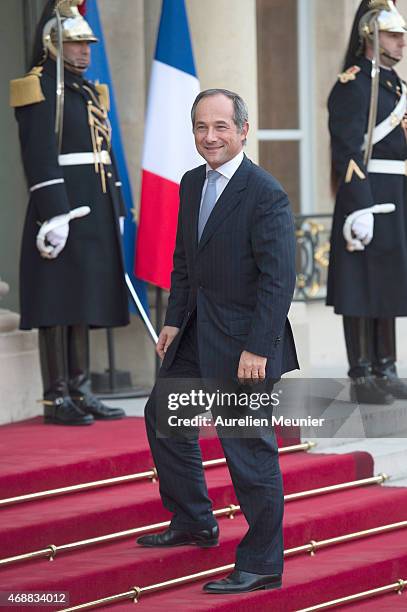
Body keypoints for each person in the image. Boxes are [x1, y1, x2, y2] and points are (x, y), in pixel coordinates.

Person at [136, 88, 298, 594]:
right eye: (201, 127)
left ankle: (263, 563)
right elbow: (185, 263)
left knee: (248, 451)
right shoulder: (190, 184)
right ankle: (194, 520)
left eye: (221, 127)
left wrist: (258, 348)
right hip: (194, 333)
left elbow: (279, 279)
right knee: (163, 418)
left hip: (245, 346)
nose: (210, 137)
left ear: (243, 130)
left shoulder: (264, 192)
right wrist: (171, 321)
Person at [10, 0, 128, 425]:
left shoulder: (86, 90)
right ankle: (55, 395)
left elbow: (104, 152)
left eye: (87, 43)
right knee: (58, 301)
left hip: (94, 205)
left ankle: (80, 388)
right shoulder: (38, 85)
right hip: (60, 208)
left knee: (85, 298)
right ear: (53, 42)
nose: (84, 51)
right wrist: (54, 214)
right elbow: (39, 155)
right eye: (76, 43)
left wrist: (115, 203)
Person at [327, 0, 407, 404]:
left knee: (389, 280)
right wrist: (359, 205)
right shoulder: (353, 83)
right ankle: (360, 373)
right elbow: (346, 148)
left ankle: (385, 367)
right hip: (368, 195)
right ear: (371, 35)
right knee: (361, 284)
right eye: (395, 35)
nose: (402, 42)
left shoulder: (396, 85)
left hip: (396, 195)